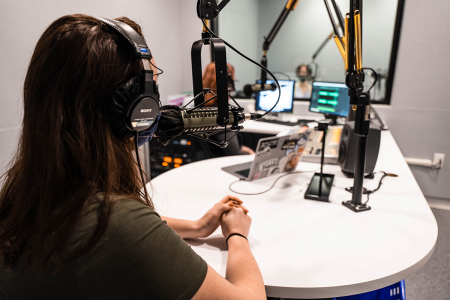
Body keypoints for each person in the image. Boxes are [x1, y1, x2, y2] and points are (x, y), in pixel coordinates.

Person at [0, 14, 266, 300]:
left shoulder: (17, 195)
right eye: (150, 90)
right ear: (134, 108)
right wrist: (237, 235)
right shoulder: (117, 225)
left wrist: (196, 227)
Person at [202, 62, 255, 156]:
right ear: (227, 84)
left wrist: (246, 149)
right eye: (232, 82)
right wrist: (252, 154)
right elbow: (234, 152)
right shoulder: (221, 114)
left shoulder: (202, 107)